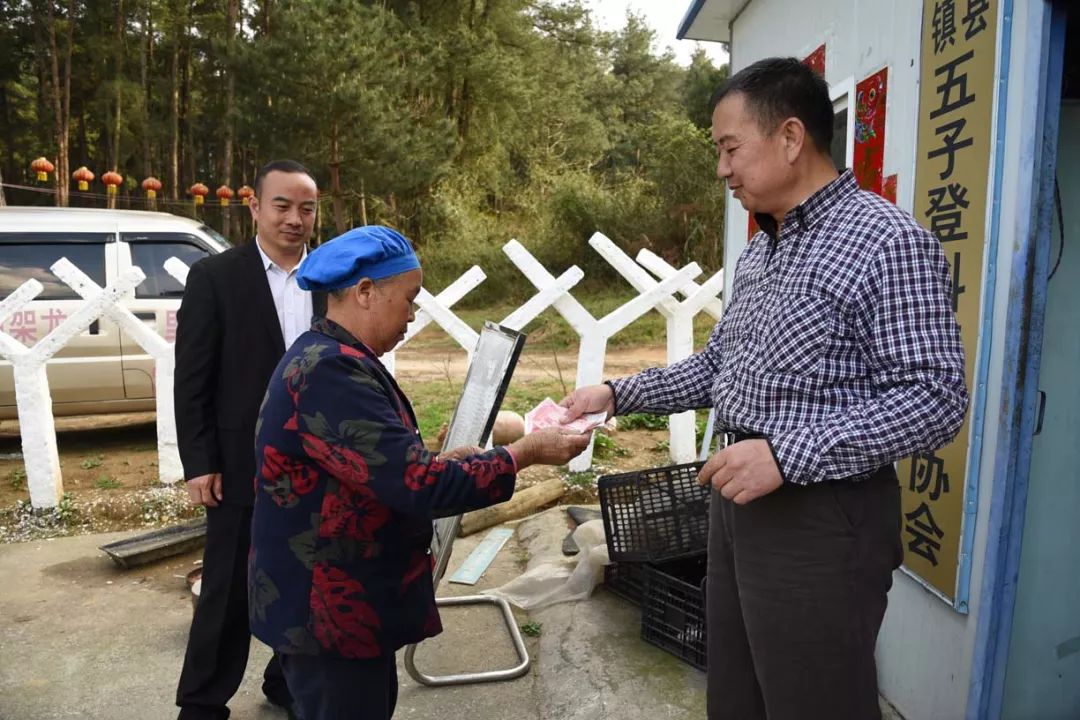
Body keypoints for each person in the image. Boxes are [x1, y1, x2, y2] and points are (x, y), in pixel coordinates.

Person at [561, 57, 969, 720]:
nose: (723, 169)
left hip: (822, 517)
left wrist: (787, 455)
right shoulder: (762, 251)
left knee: (814, 698)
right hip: (737, 500)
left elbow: (934, 398)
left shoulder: (887, 242)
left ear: (789, 137)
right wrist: (616, 393)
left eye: (730, 148)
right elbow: (722, 366)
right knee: (739, 689)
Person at [248, 224, 590, 720]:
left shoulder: (335, 355)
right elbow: (417, 486)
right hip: (328, 609)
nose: (412, 314)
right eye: (408, 299)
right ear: (365, 292)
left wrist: (441, 461)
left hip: (336, 603)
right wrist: (525, 452)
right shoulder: (332, 371)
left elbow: (380, 467)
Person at [174, 159, 324, 719]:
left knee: (309, 576)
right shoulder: (217, 277)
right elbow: (191, 378)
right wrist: (200, 462)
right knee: (228, 589)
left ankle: (286, 681)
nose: (293, 219)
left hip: (318, 458)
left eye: (305, 208)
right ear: (255, 208)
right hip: (240, 461)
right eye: (281, 205)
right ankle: (201, 702)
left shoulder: (328, 281)